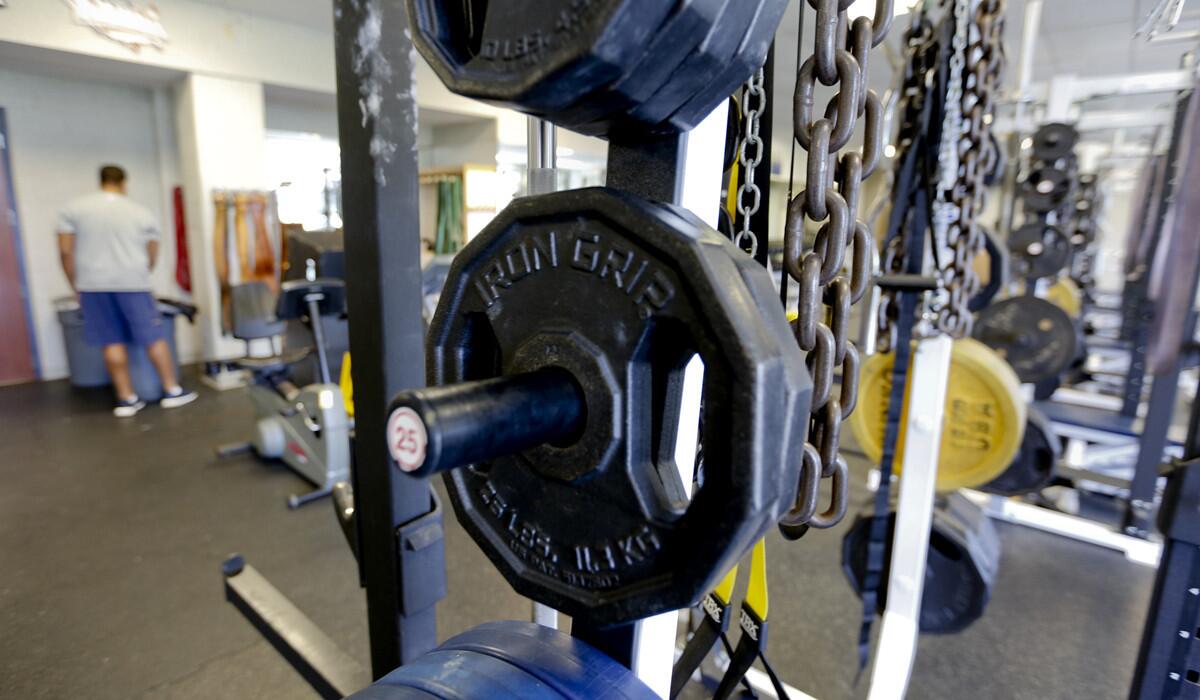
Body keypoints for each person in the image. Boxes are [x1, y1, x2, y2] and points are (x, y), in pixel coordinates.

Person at [57, 165, 197, 417]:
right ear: (123, 183)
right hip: (133, 283)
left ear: (101, 181)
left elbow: (66, 251)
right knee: (153, 336)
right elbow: (152, 252)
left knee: (110, 340)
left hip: (93, 285)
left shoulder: (73, 210)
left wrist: (75, 284)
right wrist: (144, 270)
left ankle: (126, 399)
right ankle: (172, 390)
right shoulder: (140, 212)